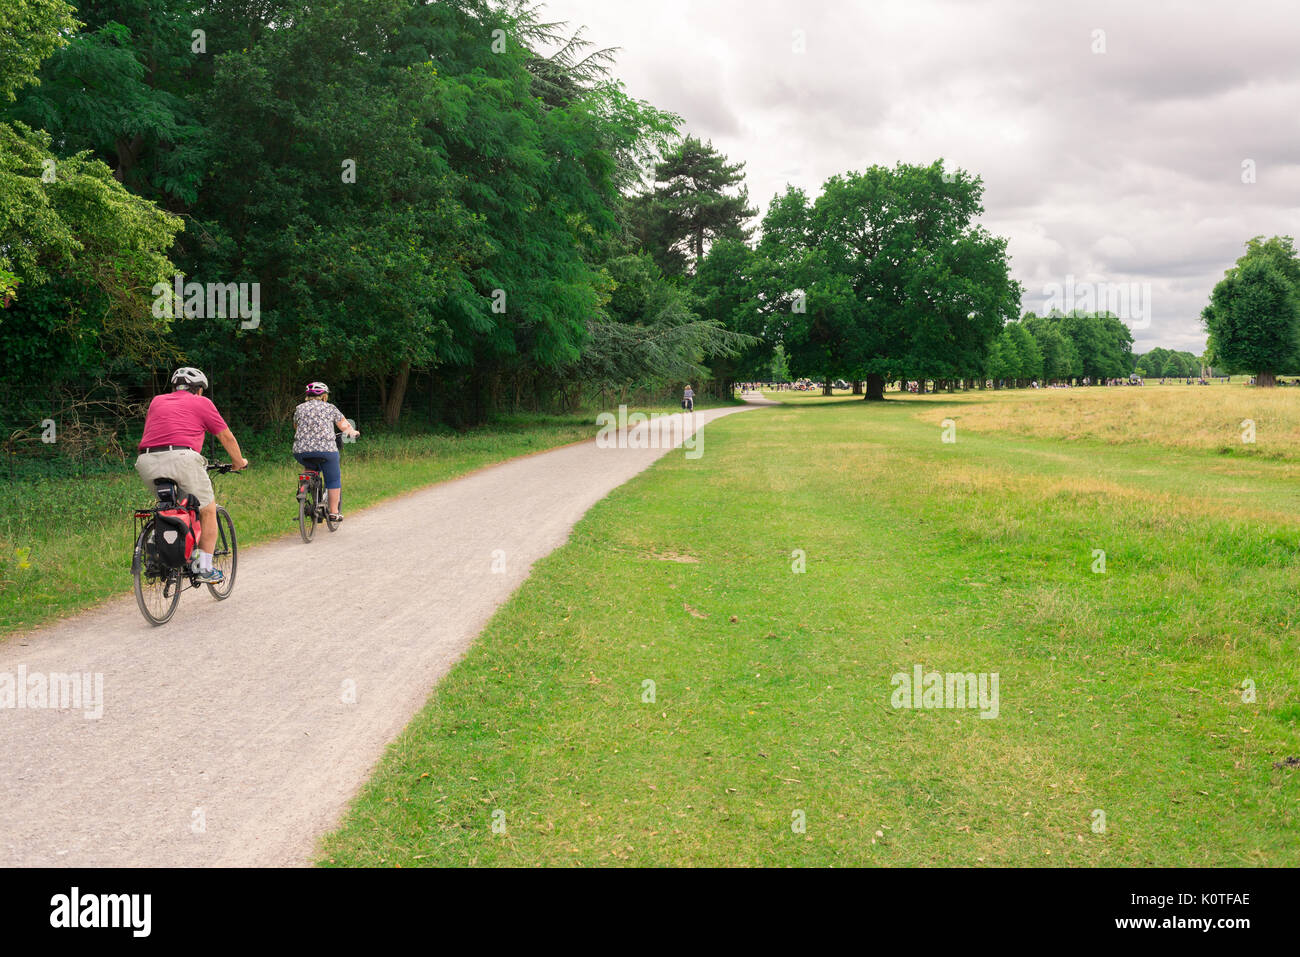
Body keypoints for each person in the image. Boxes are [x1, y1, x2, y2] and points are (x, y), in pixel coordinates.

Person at [135, 367, 248, 584]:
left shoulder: (157, 401)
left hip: (146, 461)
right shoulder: (201, 402)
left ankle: (155, 546)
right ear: (198, 390)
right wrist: (238, 462)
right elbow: (226, 437)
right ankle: (204, 567)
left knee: (170, 508)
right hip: (183, 459)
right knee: (207, 510)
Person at [293, 382, 359, 523]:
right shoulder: (330, 408)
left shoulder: (299, 409)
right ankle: (334, 512)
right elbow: (344, 426)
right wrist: (353, 432)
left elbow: (296, 427)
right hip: (326, 450)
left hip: (301, 451)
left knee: (310, 467)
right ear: (324, 396)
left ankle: (306, 486)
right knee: (333, 479)